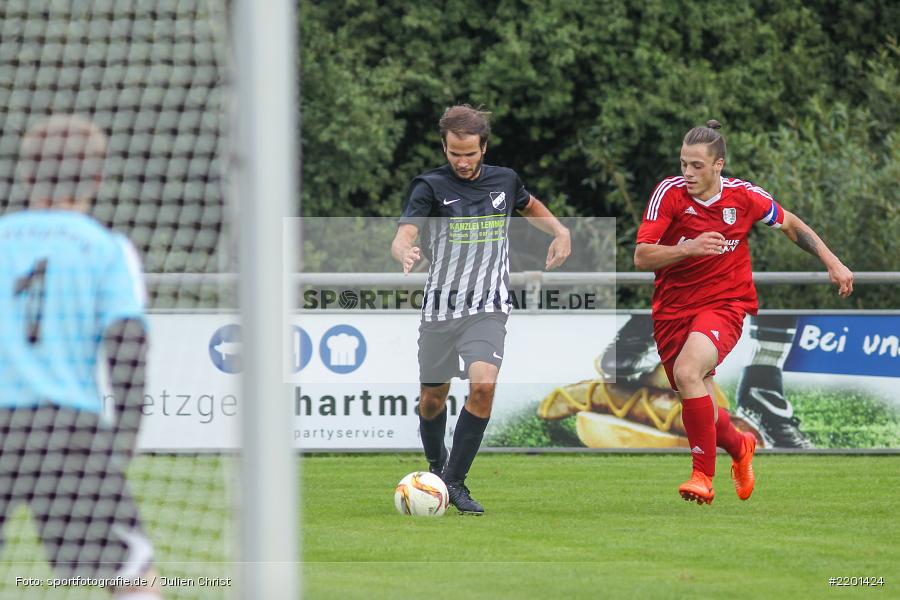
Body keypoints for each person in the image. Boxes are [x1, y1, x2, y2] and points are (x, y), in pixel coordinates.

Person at [633, 119, 853, 505]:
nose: (687, 173)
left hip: (725, 305)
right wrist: (688, 248)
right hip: (671, 310)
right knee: (691, 389)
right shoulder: (668, 194)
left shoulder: (743, 196)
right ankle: (740, 445)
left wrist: (832, 261)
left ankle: (703, 476)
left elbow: (790, 224)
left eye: (697, 166)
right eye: (684, 164)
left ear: (718, 165)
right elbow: (641, 256)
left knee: (688, 372)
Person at [0, 115, 162, 598]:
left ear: (27, 176)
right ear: (96, 178)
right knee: (132, 575)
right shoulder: (106, 249)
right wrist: (125, 434)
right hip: (66, 431)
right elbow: (127, 343)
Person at [391, 104, 571, 514]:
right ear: (445, 146)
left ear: (483, 147)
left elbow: (530, 206)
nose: (463, 161)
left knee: (484, 386)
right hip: (440, 310)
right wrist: (405, 250)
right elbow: (405, 234)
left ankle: (453, 482)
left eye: (470, 153)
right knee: (432, 400)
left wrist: (560, 230)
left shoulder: (505, 181)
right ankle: (436, 472)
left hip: (488, 306)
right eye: (455, 153)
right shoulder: (429, 186)